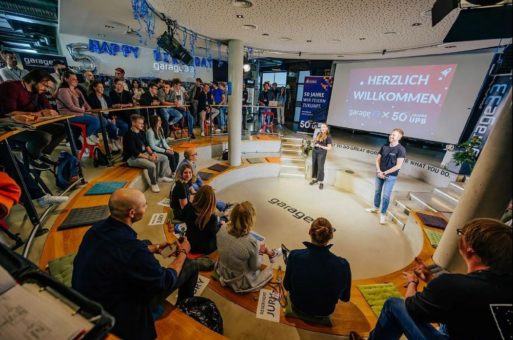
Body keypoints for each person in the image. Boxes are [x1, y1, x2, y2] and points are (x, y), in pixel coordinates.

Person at [72, 188, 198, 340]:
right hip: (115, 313)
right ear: (132, 213)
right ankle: (185, 308)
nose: (147, 207)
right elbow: (166, 281)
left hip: (87, 298)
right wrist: (183, 252)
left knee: (146, 243)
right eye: (144, 205)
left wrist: (155, 248)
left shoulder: (96, 228)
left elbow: (119, 251)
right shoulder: (134, 252)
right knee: (190, 265)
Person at [365, 218, 512, 340]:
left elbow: (412, 308)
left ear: (470, 248)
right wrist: (431, 279)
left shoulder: (453, 285)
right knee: (448, 320)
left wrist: (412, 282)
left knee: (393, 304)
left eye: (461, 233)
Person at [0, 69, 68, 207]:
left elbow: (47, 110)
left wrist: (47, 113)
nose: (46, 89)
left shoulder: (38, 92)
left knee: (62, 129)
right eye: (44, 85)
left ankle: (39, 155)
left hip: (27, 125)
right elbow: (10, 113)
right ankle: (33, 159)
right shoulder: (10, 87)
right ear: (33, 80)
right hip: (11, 129)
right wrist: (40, 113)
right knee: (42, 137)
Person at [283, 217, 351, 318]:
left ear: (310, 232)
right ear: (331, 236)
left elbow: (286, 285)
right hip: (325, 311)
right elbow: (345, 298)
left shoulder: (294, 255)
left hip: (298, 306)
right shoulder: (343, 265)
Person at [215, 201, 282, 293]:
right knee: (268, 272)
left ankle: (272, 253)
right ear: (250, 220)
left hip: (222, 270)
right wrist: (260, 252)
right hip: (239, 281)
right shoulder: (251, 242)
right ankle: (271, 253)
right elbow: (255, 267)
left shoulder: (222, 228)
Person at [123, 114, 172, 193]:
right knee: (151, 165)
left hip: (143, 154)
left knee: (165, 158)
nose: (142, 125)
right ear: (133, 123)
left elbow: (146, 145)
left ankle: (161, 176)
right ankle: (154, 183)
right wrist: (149, 157)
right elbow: (135, 153)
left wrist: (152, 153)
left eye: (142, 123)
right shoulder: (128, 135)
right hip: (132, 158)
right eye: (140, 123)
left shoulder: (141, 132)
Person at [366, 128, 406, 224]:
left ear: (399, 137)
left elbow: (398, 166)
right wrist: (379, 171)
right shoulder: (384, 146)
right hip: (379, 173)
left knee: (386, 196)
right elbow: (377, 160)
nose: (391, 136)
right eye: (391, 134)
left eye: (394, 135)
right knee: (377, 192)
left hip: (390, 176)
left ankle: (383, 214)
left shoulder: (401, 149)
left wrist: (385, 173)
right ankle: (375, 208)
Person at [178, 148, 231, 212]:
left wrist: (202, 184)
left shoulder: (191, 162)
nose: (197, 155)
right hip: (188, 184)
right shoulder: (185, 165)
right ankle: (224, 207)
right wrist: (193, 189)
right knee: (207, 193)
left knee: (206, 190)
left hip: (192, 182)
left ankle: (223, 206)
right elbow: (182, 181)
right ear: (190, 156)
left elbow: (197, 175)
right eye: (195, 154)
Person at [57, 71, 101, 146]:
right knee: (95, 121)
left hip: (79, 113)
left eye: (76, 79)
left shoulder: (77, 90)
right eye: (73, 79)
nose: (76, 80)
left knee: (99, 118)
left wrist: (90, 110)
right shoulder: (63, 90)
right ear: (66, 79)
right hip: (69, 116)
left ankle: (91, 135)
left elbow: (85, 103)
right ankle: (83, 137)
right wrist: (84, 111)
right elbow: (71, 107)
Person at [87, 80, 127, 152]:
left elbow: (111, 109)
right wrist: (108, 119)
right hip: (99, 117)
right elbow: (96, 111)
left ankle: (114, 140)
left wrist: (113, 118)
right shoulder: (91, 97)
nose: (102, 88)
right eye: (100, 87)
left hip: (109, 116)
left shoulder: (106, 97)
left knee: (123, 126)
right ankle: (112, 141)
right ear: (94, 88)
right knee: (113, 127)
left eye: (102, 87)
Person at [182, 185, 221, 255]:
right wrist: (220, 225)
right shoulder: (212, 218)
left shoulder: (188, 208)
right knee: (223, 220)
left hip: (190, 244)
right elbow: (215, 234)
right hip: (205, 249)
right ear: (212, 201)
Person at [309, 123, 332, 190]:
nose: (322, 128)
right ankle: (315, 179)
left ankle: (321, 182)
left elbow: (329, 148)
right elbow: (315, 142)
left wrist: (320, 146)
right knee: (314, 165)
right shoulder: (318, 133)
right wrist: (313, 144)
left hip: (321, 153)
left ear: (327, 128)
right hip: (315, 152)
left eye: (324, 127)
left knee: (320, 167)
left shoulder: (328, 136)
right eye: (321, 127)